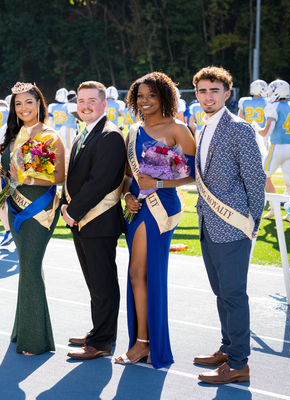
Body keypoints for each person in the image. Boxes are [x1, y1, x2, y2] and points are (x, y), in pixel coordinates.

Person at [191, 66, 266, 384]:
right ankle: (227, 349)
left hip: (233, 226)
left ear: (227, 94)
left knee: (234, 295)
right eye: (202, 91)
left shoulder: (240, 128)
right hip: (208, 224)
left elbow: (256, 179)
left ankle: (238, 364)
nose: (208, 96)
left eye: (214, 91)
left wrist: (253, 222)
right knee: (221, 293)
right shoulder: (202, 127)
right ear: (196, 94)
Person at [117, 73, 196, 369]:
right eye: (140, 96)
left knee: (140, 274)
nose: (145, 101)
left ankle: (144, 344)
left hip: (161, 206)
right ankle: (145, 342)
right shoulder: (133, 130)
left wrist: (159, 184)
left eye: (151, 95)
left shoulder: (178, 129)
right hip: (137, 206)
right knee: (139, 274)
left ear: (164, 96)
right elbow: (128, 175)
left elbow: (192, 175)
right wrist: (128, 194)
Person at [0, 82, 65, 355]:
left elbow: (59, 176)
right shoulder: (14, 135)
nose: (23, 108)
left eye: (28, 102)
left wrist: (26, 178)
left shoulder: (50, 136)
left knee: (30, 265)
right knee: (28, 267)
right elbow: (7, 172)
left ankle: (34, 341)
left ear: (39, 104)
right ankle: (24, 330)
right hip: (16, 207)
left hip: (40, 208)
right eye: (18, 104)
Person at [62, 81, 125, 361]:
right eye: (81, 101)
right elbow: (74, 176)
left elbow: (99, 182)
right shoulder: (85, 131)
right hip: (82, 220)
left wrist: (73, 211)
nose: (85, 106)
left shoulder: (110, 135)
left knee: (103, 284)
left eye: (91, 101)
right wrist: (66, 207)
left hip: (98, 221)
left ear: (104, 104)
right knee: (94, 283)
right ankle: (98, 331)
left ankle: (102, 342)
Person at [258, 79, 290, 222]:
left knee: (263, 176)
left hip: (277, 148)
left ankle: (274, 208)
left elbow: (266, 132)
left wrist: (256, 128)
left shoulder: (273, 107)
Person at [48, 88, 78, 154]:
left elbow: (50, 121)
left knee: (58, 149)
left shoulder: (51, 106)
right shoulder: (69, 105)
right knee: (68, 147)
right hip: (67, 128)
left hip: (56, 129)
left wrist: (50, 130)